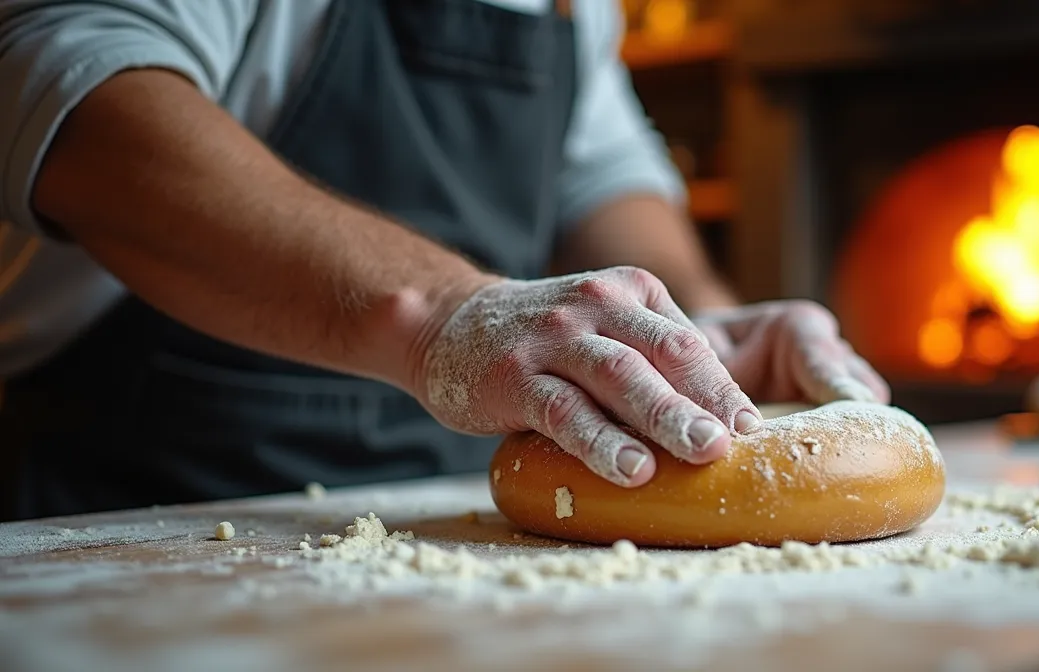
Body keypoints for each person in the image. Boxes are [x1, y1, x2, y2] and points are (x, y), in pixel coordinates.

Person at [0, 0, 887, 521]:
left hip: (445, 511)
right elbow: (69, 96)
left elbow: (601, 178)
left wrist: (688, 332)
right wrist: (440, 317)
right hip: (150, 504)